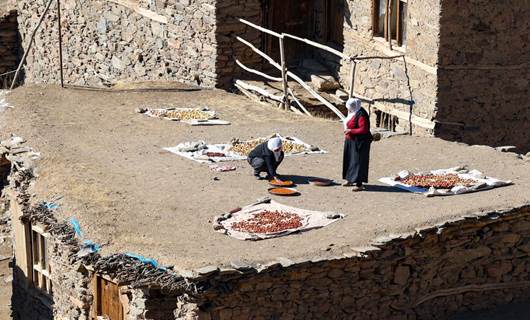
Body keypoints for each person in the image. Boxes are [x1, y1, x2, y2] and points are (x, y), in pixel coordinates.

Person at [342, 98, 373, 191]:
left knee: (358, 162)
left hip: (360, 142)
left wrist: (351, 130)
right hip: (350, 140)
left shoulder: (361, 114)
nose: (348, 110)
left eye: (349, 108)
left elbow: (364, 129)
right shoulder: (353, 111)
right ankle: (350, 179)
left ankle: (359, 184)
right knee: (349, 160)